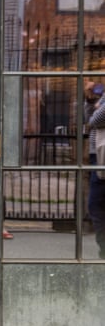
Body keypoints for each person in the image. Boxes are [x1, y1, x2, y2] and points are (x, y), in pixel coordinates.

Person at [85, 81, 105, 258]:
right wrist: (91, 100)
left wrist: (98, 107)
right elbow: (89, 119)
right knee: (96, 204)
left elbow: (96, 120)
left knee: (95, 204)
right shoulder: (102, 97)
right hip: (97, 153)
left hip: (102, 155)